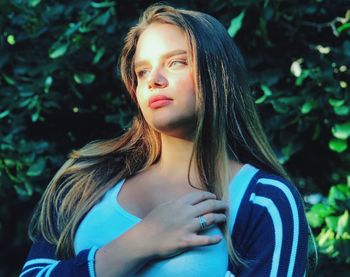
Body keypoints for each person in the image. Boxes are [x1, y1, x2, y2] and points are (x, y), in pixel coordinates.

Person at [20, 3, 310, 277]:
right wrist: (138, 243)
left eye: (176, 62)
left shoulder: (265, 200)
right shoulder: (85, 180)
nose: (153, 80)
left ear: (218, 75)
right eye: (142, 71)